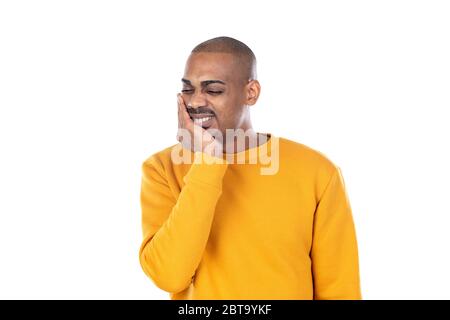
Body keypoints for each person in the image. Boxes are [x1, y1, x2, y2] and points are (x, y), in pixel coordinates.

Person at [138, 36, 362, 300]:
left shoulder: (317, 171)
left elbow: (340, 290)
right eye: (188, 89)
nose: (196, 102)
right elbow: (169, 275)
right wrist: (208, 162)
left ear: (251, 93)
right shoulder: (162, 168)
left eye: (213, 90)